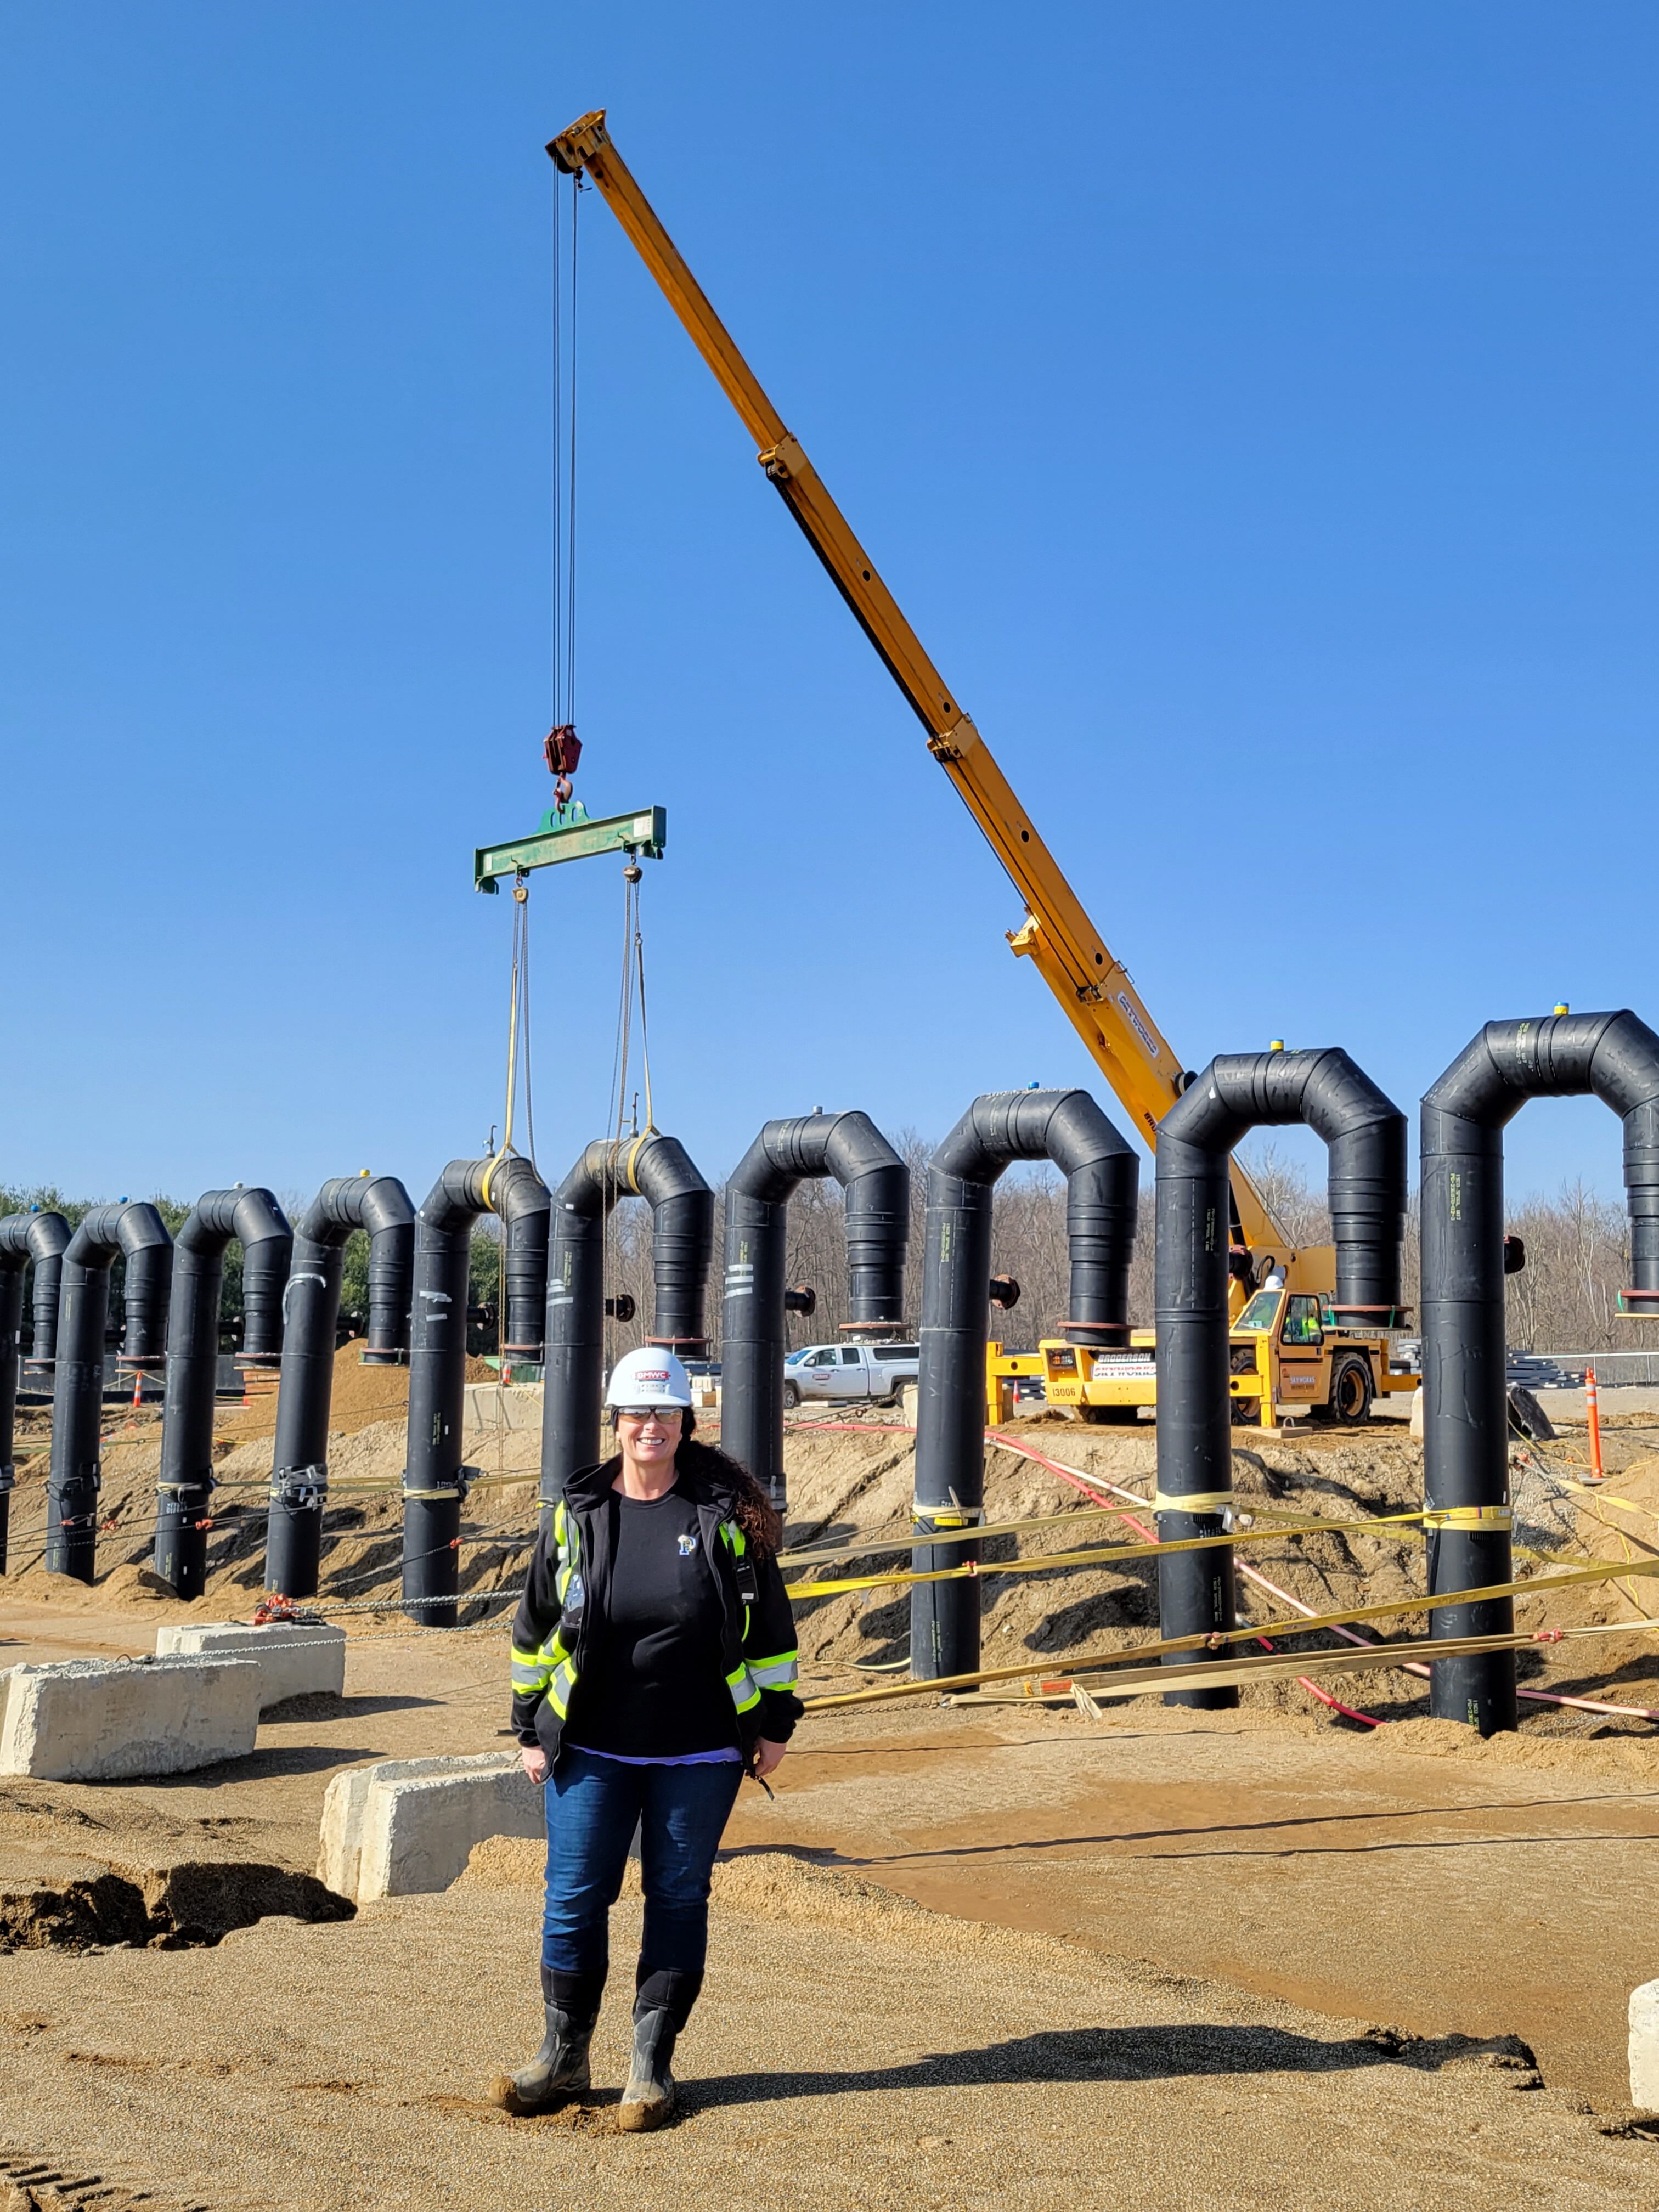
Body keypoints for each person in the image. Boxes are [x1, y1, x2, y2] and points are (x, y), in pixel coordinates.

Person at [496, 1345, 802, 2130]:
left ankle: (650, 2067)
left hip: (699, 1751)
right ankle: (563, 2057)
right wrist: (530, 1727)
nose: (649, 1427)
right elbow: (534, 1629)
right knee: (573, 1896)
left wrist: (775, 1722)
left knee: (674, 1897)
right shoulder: (577, 1516)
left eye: (664, 1413)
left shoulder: (726, 1520)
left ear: (685, 1423)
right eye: (636, 1413)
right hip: (591, 1745)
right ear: (617, 1422)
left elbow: (769, 1629)